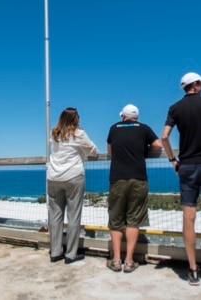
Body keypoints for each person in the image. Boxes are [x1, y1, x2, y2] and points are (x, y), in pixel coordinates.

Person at [161, 72, 201, 293]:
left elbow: (164, 136)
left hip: (186, 166)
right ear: (196, 85)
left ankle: (193, 270)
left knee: (188, 218)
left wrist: (173, 160)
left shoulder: (175, 108)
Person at [106, 104, 162, 273]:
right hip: (138, 178)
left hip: (117, 177)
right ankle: (129, 261)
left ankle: (116, 260)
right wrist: (144, 151)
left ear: (123, 116)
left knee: (116, 219)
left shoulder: (114, 128)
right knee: (133, 219)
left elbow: (110, 150)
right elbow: (158, 145)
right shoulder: (144, 128)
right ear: (136, 117)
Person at [47, 107, 98, 264]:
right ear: (75, 119)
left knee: (55, 216)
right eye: (78, 117)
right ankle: (70, 254)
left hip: (53, 177)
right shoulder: (78, 134)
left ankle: (55, 252)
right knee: (73, 215)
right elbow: (93, 151)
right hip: (73, 176)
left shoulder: (53, 133)